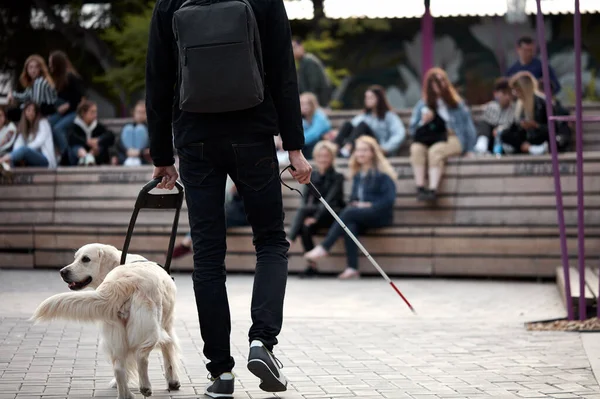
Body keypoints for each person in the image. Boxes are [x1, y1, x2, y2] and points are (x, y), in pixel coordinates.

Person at [145, 1, 312, 397]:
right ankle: (262, 342)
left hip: (195, 137)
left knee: (207, 256)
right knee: (271, 240)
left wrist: (162, 157)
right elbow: (283, 73)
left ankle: (220, 374)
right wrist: (294, 148)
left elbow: (158, 79)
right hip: (252, 133)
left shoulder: (169, 4)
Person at [304, 135, 396, 279]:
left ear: (373, 153)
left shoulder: (382, 174)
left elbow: (388, 200)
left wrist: (368, 205)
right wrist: (356, 204)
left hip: (379, 215)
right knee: (350, 225)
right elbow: (354, 198)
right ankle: (352, 268)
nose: (360, 154)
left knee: (348, 213)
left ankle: (324, 247)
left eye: (364, 150)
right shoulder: (358, 175)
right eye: (358, 150)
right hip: (361, 215)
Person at [408, 68, 477, 202]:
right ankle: (420, 188)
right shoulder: (422, 105)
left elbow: (468, 127)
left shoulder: (456, 103)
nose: (439, 85)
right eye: (434, 82)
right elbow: (412, 130)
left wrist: (470, 149)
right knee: (416, 149)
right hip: (429, 138)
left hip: (452, 137)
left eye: (441, 81)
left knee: (436, 151)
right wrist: (423, 121)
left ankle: (433, 190)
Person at [287, 141, 344, 277]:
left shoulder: (338, 177)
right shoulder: (312, 176)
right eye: (320, 156)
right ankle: (312, 266)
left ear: (332, 158)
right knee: (305, 227)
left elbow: (328, 202)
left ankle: (289, 242)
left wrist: (315, 218)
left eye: (326, 156)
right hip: (313, 213)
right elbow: (304, 200)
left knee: (304, 213)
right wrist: (310, 218)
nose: (323, 159)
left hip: (332, 215)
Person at [172, 178, 249, 259]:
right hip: (237, 211)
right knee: (211, 216)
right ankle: (186, 243)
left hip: (243, 212)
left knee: (212, 217)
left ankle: (186, 243)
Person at [334, 85, 405, 158]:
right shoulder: (365, 115)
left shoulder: (389, 116)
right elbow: (352, 128)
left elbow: (399, 134)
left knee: (363, 125)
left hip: (379, 147)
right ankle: (334, 148)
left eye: (371, 98)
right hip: (363, 145)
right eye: (366, 98)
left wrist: (386, 148)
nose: (367, 100)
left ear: (379, 99)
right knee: (347, 124)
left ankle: (347, 149)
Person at [497, 71, 550, 155]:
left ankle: (535, 148)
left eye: (518, 90)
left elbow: (551, 127)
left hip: (539, 135)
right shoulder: (519, 104)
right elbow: (514, 126)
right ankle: (529, 148)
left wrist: (535, 125)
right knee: (505, 134)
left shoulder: (541, 103)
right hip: (525, 137)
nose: (515, 93)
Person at [47, 50, 86, 157]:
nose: (49, 66)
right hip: (63, 112)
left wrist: (68, 105)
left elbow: (80, 97)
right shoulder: (58, 79)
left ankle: (67, 156)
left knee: (58, 129)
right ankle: (56, 152)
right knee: (47, 125)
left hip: (74, 112)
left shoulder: (71, 77)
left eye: (51, 63)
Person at [0, 102, 56, 169]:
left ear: (36, 113)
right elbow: (18, 143)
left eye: (33, 110)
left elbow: (38, 142)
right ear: (24, 112)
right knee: (15, 158)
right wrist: (18, 154)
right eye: (29, 110)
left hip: (46, 160)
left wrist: (22, 152)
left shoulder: (43, 123)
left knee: (23, 150)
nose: (31, 112)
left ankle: (2, 160)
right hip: (30, 160)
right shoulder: (24, 127)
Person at [6, 55, 57, 122]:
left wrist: (22, 107)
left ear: (40, 69)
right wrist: (12, 94)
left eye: (36, 67)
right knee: (12, 112)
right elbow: (26, 96)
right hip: (41, 110)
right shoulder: (34, 82)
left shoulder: (40, 82)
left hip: (47, 113)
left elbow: (36, 103)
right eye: (30, 67)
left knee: (11, 113)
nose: (33, 70)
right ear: (26, 69)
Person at [473, 77, 516, 155]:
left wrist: (500, 129)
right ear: (496, 94)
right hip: (492, 140)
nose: (507, 97)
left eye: (509, 94)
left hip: (506, 141)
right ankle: (482, 144)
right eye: (504, 93)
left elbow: (511, 124)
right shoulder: (491, 106)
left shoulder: (514, 108)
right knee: (483, 123)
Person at [66, 100, 115, 166]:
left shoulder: (97, 126)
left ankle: (89, 158)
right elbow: (71, 138)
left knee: (100, 145)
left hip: (96, 157)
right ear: (83, 113)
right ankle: (86, 157)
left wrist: (98, 140)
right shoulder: (74, 126)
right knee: (76, 147)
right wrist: (86, 141)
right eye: (92, 112)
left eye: (95, 112)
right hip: (77, 158)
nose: (95, 115)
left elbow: (110, 135)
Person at [292, 37, 331, 107]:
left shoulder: (308, 61)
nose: (292, 50)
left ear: (301, 47)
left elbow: (314, 85)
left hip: (317, 103)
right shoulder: (302, 62)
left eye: (294, 47)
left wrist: (307, 101)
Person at [112, 101, 150, 166]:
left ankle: (136, 159)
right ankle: (130, 159)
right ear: (134, 113)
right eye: (138, 112)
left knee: (140, 129)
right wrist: (127, 151)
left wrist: (139, 152)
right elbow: (119, 143)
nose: (140, 115)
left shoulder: (150, 128)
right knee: (128, 129)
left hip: (142, 157)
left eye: (143, 112)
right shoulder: (127, 127)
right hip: (126, 156)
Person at [300, 92, 331, 159]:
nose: (304, 107)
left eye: (307, 104)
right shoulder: (302, 118)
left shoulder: (319, 116)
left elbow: (313, 135)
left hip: (321, 145)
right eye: (302, 104)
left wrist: (293, 142)